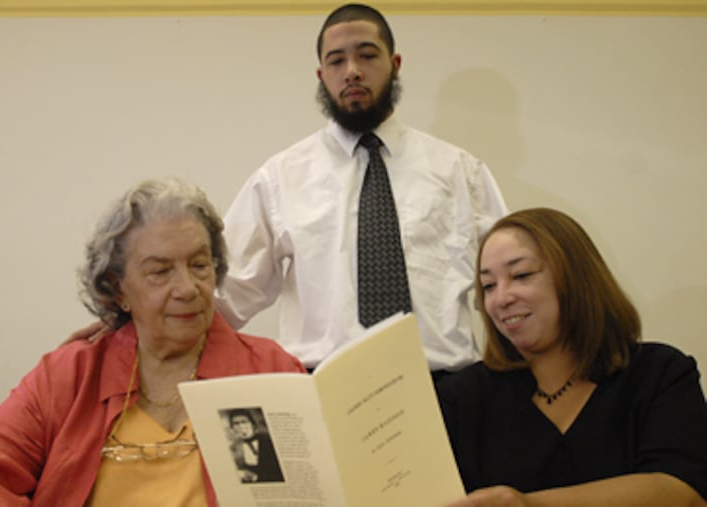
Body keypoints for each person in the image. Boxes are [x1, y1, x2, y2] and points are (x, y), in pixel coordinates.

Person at [0, 177, 305, 506]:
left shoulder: (270, 372)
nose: (187, 288)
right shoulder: (70, 375)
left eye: (199, 265)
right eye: (160, 271)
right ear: (118, 290)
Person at [215, 3, 508, 375]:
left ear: (395, 64)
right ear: (321, 75)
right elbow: (227, 293)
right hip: (322, 388)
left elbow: (508, 286)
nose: (352, 71)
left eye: (367, 56)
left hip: (444, 390)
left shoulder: (460, 172)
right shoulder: (279, 179)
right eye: (337, 62)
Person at [437, 208, 707, 506]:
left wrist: (529, 504)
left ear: (576, 275)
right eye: (488, 286)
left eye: (521, 275)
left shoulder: (660, 373)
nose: (501, 298)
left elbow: (684, 493)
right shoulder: (460, 398)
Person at [226, 408, 284, 484]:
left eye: (244, 422)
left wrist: (255, 477)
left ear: (252, 424)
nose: (241, 426)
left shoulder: (269, 441)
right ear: (232, 428)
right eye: (236, 423)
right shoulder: (233, 447)